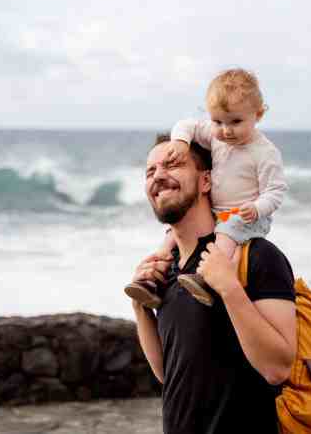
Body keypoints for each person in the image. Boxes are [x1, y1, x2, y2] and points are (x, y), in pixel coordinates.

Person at [129, 133, 297, 433]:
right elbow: (169, 375)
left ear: (206, 181)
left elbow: (278, 368)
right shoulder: (167, 269)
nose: (159, 176)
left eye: (172, 164)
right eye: (150, 171)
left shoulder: (256, 256)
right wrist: (140, 308)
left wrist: (229, 288)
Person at [125, 68, 287, 308]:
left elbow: (275, 191)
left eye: (235, 122)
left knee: (226, 233)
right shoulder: (216, 137)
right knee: (172, 234)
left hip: (248, 216)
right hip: (219, 212)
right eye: (217, 121)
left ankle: (206, 281)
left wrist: (256, 207)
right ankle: (154, 279)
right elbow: (186, 125)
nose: (225, 130)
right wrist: (181, 143)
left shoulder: (265, 153)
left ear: (259, 114)